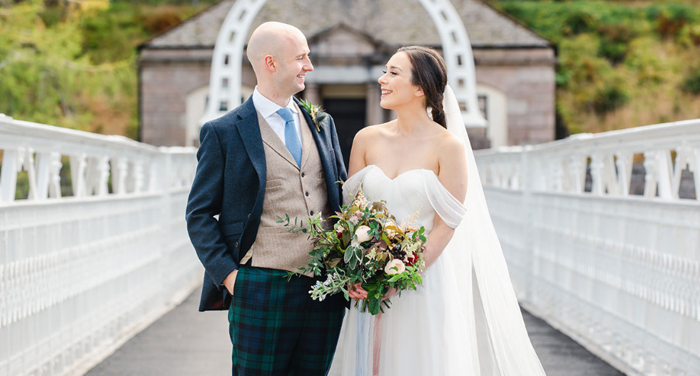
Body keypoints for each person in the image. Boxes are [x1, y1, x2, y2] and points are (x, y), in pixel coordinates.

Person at [329, 46, 546, 376]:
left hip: (421, 282)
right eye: (385, 71)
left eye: (393, 72)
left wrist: (400, 275)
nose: (382, 79)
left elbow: (447, 225)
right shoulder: (366, 139)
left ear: (420, 88)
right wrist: (356, 271)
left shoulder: (448, 146)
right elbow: (353, 215)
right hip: (368, 282)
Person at [186, 21, 347, 376]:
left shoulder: (323, 123)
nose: (309, 66)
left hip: (325, 287)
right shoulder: (223, 132)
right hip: (259, 286)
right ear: (271, 63)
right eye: (301, 58)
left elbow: (341, 199)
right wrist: (230, 277)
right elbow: (198, 215)